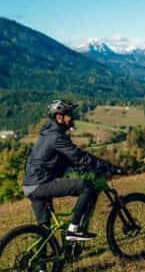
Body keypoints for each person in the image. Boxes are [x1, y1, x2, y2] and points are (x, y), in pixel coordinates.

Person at [23, 99, 126, 241]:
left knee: (45, 231)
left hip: (30, 185)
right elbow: (79, 156)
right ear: (59, 117)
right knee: (86, 186)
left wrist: (82, 166)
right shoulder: (56, 137)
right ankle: (73, 229)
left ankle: (49, 255)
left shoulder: (49, 133)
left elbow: (67, 159)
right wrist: (108, 166)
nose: (73, 117)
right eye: (69, 114)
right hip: (40, 184)